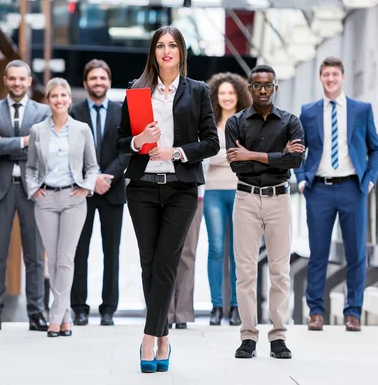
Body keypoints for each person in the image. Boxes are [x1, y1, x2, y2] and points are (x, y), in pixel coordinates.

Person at [116, 25, 219, 373]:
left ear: (182, 52)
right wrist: (138, 139)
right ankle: (163, 337)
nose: (166, 51)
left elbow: (211, 143)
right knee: (149, 263)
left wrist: (174, 151)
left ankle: (149, 337)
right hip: (142, 187)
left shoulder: (198, 91)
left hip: (181, 188)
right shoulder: (136, 91)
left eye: (172, 45)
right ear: (153, 52)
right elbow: (120, 143)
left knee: (166, 262)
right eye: (160, 45)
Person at [295, 57, 378, 332]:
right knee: (318, 253)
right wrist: (301, 179)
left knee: (356, 253)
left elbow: (375, 149)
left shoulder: (361, 110)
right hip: (318, 189)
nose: (331, 79)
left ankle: (353, 312)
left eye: (335, 74)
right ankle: (316, 312)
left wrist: (368, 181)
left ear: (343, 77)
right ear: (321, 78)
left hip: (352, 188)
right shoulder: (308, 112)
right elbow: (298, 149)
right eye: (326, 74)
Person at [226, 64, 304, 359]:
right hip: (245, 200)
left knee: (280, 272)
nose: (262, 90)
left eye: (267, 85)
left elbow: (296, 161)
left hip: (279, 201)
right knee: (245, 272)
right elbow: (238, 165)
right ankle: (248, 336)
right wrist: (277, 156)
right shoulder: (235, 122)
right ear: (249, 87)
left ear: (275, 88)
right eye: (256, 85)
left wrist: (252, 154)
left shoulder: (290, 121)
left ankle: (279, 336)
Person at [0, 59, 50, 332]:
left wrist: (3, 142)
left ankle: (36, 314)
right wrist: (22, 142)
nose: (17, 83)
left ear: (30, 81)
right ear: (5, 80)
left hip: (33, 189)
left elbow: (42, 146)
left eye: (22, 79)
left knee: (34, 255)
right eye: (13, 79)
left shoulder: (43, 111)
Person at [25, 77, 99, 338]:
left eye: (63, 96)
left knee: (66, 259)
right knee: (53, 261)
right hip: (46, 201)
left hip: (73, 200)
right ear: (48, 100)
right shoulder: (37, 130)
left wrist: (86, 186)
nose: (59, 100)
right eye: (54, 96)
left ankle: (54, 317)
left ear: (70, 99)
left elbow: (92, 166)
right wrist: (34, 190)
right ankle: (65, 316)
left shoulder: (82, 130)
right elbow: (31, 167)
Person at [69, 59, 130, 326]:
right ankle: (79, 308)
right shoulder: (73, 112)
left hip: (113, 190)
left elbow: (128, 149)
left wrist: (109, 177)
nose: (98, 82)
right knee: (79, 251)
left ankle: (108, 310)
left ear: (109, 81)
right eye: (93, 78)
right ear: (85, 83)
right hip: (81, 191)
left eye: (102, 78)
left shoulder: (122, 112)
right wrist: (91, 180)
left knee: (111, 252)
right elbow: (69, 151)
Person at [203, 72, 252, 326]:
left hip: (240, 190)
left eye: (231, 93)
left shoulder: (246, 122)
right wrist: (231, 155)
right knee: (216, 248)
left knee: (237, 251)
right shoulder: (208, 123)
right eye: (222, 93)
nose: (226, 97)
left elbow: (247, 155)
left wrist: (221, 154)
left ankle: (235, 307)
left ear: (238, 95)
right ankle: (215, 306)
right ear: (216, 95)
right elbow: (204, 156)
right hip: (213, 191)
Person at [167, 159, 208, 330]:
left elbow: (204, 160)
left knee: (187, 254)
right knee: (165, 254)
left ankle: (182, 313)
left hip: (193, 193)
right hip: (163, 192)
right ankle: (164, 312)